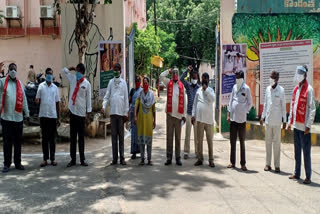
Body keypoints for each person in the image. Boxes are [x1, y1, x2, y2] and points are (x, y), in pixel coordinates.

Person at [288, 65, 315, 184]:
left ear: (304, 75)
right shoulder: (296, 89)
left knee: (306, 152)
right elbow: (293, 106)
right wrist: (290, 121)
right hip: (296, 126)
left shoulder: (309, 89)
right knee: (297, 151)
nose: (298, 74)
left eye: (300, 72)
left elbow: (312, 108)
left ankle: (308, 176)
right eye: (297, 72)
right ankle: (297, 172)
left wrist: (308, 125)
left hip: (304, 127)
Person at [1, 63, 29, 173]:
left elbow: (25, 100)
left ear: (17, 71)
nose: (13, 71)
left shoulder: (20, 84)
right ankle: (7, 164)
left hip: (18, 118)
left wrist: (27, 114)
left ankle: (17, 163)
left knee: (18, 142)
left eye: (15, 69)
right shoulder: (3, 82)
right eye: (11, 69)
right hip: (6, 118)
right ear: (8, 70)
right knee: (7, 143)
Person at [61, 64, 92, 167]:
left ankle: (82, 159)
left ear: (82, 72)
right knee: (73, 137)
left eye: (78, 71)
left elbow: (88, 100)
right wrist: (72, 68)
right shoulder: (73, 78)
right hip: (73, 112)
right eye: (76, 71)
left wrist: (88, 115)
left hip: (81, 114)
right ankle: (73, 159)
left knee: (81, 138)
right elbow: (64, 71)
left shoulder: (87, 84)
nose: (77, 73)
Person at [102, 63, 129, 165]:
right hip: (113, 113)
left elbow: (126, 99)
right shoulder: (110, 82)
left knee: (121, 137)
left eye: (117, 70)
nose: (115, 71)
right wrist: (103, 106)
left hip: (121, 114)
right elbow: (107, 96)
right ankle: (114, 159)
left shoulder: (123, 83)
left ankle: (122, 158)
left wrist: (126, 113)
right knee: (114, 137)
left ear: (120, 71)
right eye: (114, 70)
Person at [260, 71, 286, 173]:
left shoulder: (281, 90)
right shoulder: (267, 89)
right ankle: (268, 164)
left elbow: (283, 106)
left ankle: (277, 165)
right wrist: (262, 117)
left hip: (277, 121)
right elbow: (266, 104)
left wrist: (285, 120)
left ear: (277, 79)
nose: (270, 79)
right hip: (268, 121)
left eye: (272, 77)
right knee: (268, 143)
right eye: (270, 77)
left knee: (277, 144)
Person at [160, 68, 187, 166]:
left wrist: (184, 115)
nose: (175, 74)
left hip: (179, 116)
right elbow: (161, 76)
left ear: (178, 74)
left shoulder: (181, 85)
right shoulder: (168, 83)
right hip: (170, 115)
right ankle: (169, 157)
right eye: (174, 73)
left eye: (176, 73)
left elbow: (184, 100)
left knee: (178, 138)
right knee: (169, 137)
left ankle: (178, 158)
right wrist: (168, 71)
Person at [227, 70, 252, 171]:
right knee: (232, 141)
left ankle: (243, 163)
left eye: (237, 77)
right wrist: (228, 114)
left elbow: (250, 103)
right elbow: (230, 101)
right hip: (233, 119)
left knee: (242, 142)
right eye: (235, 77)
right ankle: (232, 162)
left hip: (242, 120)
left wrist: (244, 110)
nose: (236, 79)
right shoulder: (234, 87)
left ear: (241, 78)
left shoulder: (246, 89)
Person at [35, 68, 61, 167]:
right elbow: (37, 99)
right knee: (45, 139)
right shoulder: (41, 86)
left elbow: (57, 103)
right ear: (45, 76)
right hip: (43, 116)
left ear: (52, 75)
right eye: (48, 74)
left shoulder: (55, 88)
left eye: (51, 74)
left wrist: (58, 118)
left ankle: (53, 159)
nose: (49, 76)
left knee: (52, 139)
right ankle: (45, 159)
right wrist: (36, 100)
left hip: (53, 116)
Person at [192, 73, 216, 167]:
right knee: (199, 140)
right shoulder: (198, 91)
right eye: (203, 78)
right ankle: (200, 159)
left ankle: (211, 160)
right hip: (200, 119)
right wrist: (193, 115)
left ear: (208, 80)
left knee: (210, 140)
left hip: (209, 120)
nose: (204, 80)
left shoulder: (211, 90)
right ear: (201, 79)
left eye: (206, 78)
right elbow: (194, 104)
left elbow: (213, 99)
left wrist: (206, 90)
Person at [134, 77, 156, 166]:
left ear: (149, 84)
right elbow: (136, 105)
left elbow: (154, 109)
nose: (146, 84)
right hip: (141, 120)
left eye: (147, 83)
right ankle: (142, 159)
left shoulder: (151, 95)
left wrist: (155, 121)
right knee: (142, 141)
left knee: (149, 141)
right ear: (143, 84)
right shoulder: (140, 94)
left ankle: (149, 159)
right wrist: (135, 116)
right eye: (144, 83)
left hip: (149, 120)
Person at [180, 65, 200, 160]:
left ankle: (197, 152)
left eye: (196, 78)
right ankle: (186, 152)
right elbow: (181, 79)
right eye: (193, 77)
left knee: (197, 135)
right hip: (188, 113)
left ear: (197, 78)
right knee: (187, 134)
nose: (194, 79)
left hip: (196, 115)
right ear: (191, 78)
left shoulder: (199, 88)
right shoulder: (188, 86)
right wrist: (187, 70)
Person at [129, 76, 142, 159]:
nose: (137, 82)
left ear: (140, 82)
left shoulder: (141, 91)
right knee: (133, 133)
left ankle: (141, 152)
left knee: (140, 133)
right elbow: (129, 101)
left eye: (138, 81)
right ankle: (133, 152)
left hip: (140, 114)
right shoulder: (132, 90)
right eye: (136, 81)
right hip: (132, 113)